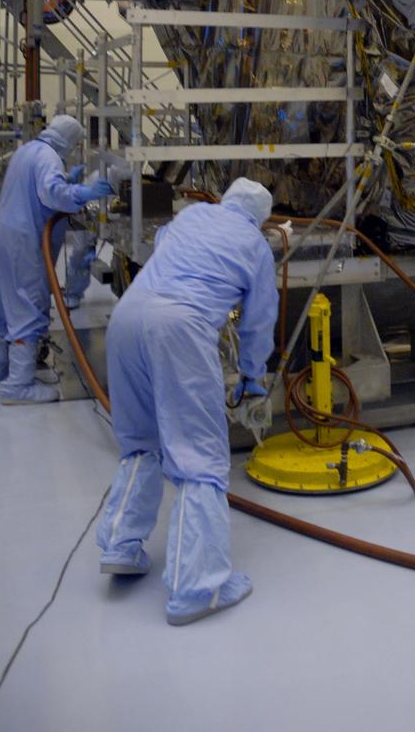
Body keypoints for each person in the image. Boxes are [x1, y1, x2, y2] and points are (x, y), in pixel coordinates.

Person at [96, 178, 278, 626]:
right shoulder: (255, 244)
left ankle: (121, 545)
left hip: (127, 318)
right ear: (261, 218)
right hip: (179, 324)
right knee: (199, 456)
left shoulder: (192, 215)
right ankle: (198, 587)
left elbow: (162, 243)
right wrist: (253, 376)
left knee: (141, 441)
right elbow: (257, 320)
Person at [0, 115, 113, 402]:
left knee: (5, 308)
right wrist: (83, 192)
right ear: (69, 140)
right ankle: (18, 384)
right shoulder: (49, 157)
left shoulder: (27, 150)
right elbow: (52, 195)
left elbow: (37, 186)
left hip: (2, 236)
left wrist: (67, 179)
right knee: (27, 304)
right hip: (24, 242)